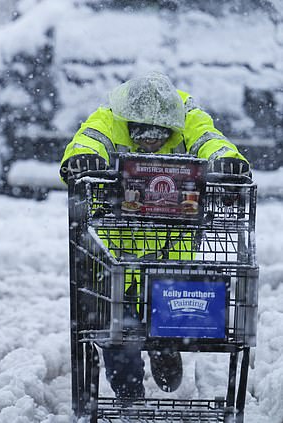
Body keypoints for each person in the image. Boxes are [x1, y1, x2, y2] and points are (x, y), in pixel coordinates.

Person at [60, 71, 251, 399]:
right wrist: (82, 159)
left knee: (169, 321)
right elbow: (88, 140)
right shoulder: (108, 118)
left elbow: (211, 141)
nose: (151, 141)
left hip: (172, 255)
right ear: (128, 121)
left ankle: (166, 349)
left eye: (159, 134)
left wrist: (228, 161)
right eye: (141, 133)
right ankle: (129, 397)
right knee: (118, 336)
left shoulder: (190, 118)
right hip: (117, 257)